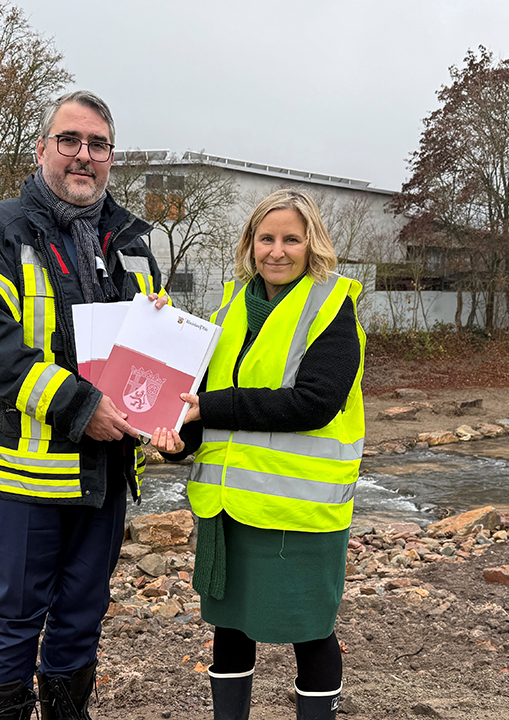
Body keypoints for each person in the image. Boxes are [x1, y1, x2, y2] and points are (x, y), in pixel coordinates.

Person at [0, 90, 165, 720]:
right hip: (26, 467)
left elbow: (149, 348)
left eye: (97, 145)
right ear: (42, 149)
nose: (83, 156)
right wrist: (78, 407)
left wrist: (167, 406)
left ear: (111, 159)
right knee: (17, 613)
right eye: (69, 140)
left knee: (82, 610)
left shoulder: (131, 243)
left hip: (106, 465)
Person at [150, 188, 365, 720]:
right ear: (250, 243)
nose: (277, 250)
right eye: (266, 238)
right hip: (227, 507)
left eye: (291, 238)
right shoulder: (227, 309)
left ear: (312, 243)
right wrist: (179, 443)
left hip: (300, 513)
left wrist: (206, 410)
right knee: (231, 629)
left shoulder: (332, 304)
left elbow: (314, 404)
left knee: (311, 631)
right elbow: (198, 406)